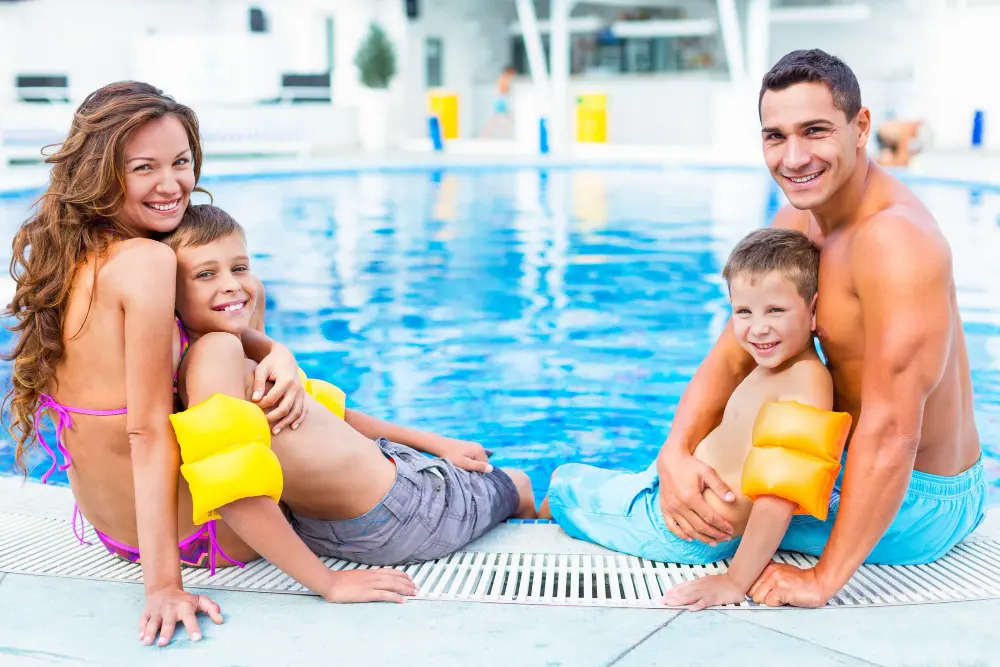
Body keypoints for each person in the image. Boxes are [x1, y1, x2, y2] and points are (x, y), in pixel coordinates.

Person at [655, 49, 986, 608]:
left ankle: (527, 493)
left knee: (679, 525)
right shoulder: (799, 219)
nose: (794, 157)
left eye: (815, 131)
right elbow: (733, 355)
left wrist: (823, 579)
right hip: (869, 468)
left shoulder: (895, 241)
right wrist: (675, 450)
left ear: (861, 127)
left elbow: (893, 430)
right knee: (681, 479)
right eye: (775, 136)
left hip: (922, 498)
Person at [2, 81, 314, 647]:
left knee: (236, 335)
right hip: (204, 536)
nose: (171, 185)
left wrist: (276, 352)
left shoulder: (67, 256)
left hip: (113, 532)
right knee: (260, 363)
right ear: (99, 172)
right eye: (144, 167)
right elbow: (146, 431)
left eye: (181, 162)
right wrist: (164, 587)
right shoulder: (146, 262)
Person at [164, 204, 537, 568]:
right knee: (517, 484)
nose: (232, 286)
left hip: (331, 524)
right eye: (205, 274)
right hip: (401, 514)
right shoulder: (216, 353)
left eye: (239, 268)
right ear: (170, 294)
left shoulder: (220, 348)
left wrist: (437, 443)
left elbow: (322, 414)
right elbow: (233, 486)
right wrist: (327, 583)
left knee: (461, 468)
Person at [539, 228, 851, 609]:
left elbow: (779, 496)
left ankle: (526, 505)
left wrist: (735, 581)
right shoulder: (780, 366)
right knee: (595, 484)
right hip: (680, 506)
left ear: (813, 311)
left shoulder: (806, 382)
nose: (758, 328)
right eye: (744, 312)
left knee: (562, 484)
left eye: (776, 310)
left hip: (678, 529)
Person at [478, 65, 516, 139]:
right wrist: (509, 91)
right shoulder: (504, 78)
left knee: (501, 118)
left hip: (501, 100)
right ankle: (486, 134)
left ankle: (496, 135)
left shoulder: (503, 78)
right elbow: (502, 90)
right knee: (498, 118)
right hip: (501, 100)